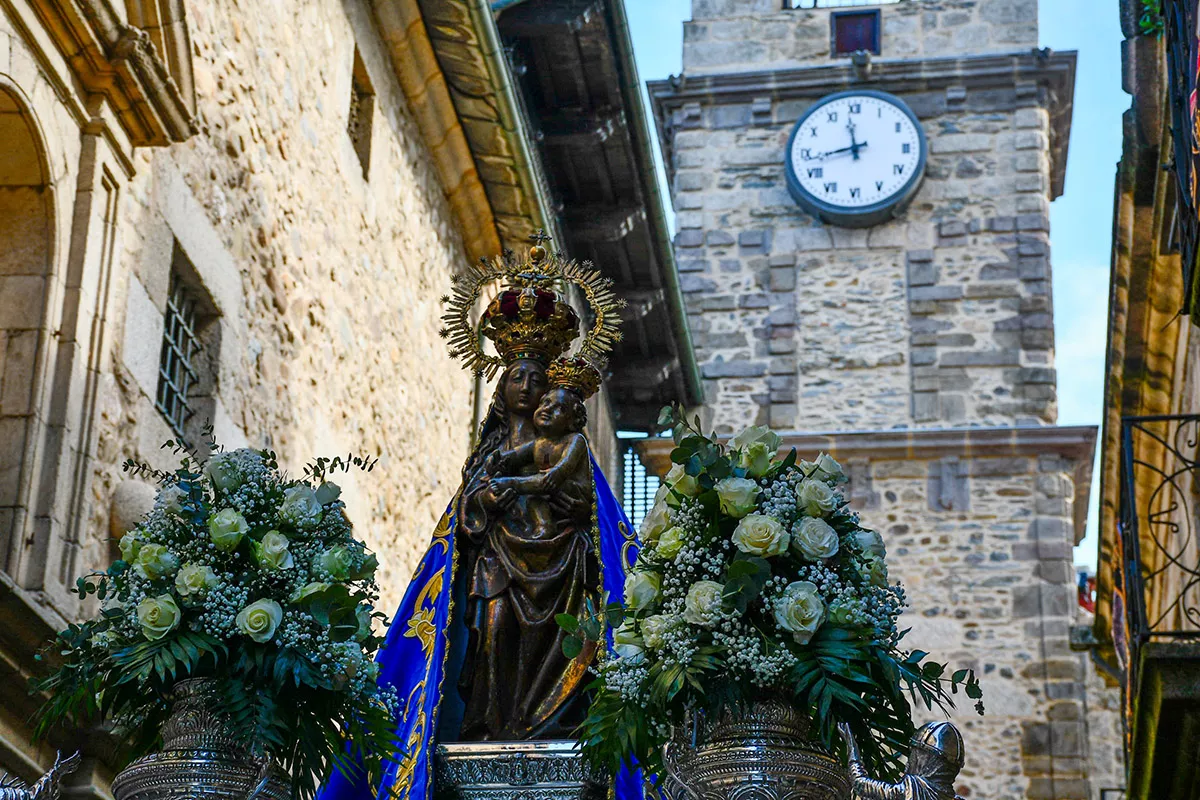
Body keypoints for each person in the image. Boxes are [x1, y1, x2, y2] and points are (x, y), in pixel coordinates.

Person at [317, 242, 640, 800]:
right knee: (492, 637)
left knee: (557, 646)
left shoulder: (572, 450)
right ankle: (491, 723)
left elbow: (595, 520)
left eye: (539, 376)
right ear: (503, 384)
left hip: (563, 569)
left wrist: (559, 507)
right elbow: (463, 526)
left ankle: (552, 725)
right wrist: (483, 504)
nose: (528, 386)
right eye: (517, 375)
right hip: (495, 566)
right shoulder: (489, 453)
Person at [485, 380, 593, 542]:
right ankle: (543, 525)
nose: (548, 409)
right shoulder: (539, 443)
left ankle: (545, 527)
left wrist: (512, 483)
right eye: (545, 403)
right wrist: (495, 459)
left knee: (538, 486)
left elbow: (557, 474)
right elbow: (513, 457)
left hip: (570, 490)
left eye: (560, 408)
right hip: (544, 489)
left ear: (572, 421)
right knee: (535, 496)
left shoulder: (575, 440)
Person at [839, 721, 966, 800]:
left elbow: (861, 784)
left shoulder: (913, 788)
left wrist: (852, 748)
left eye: (916, 753)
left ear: (927, 759)